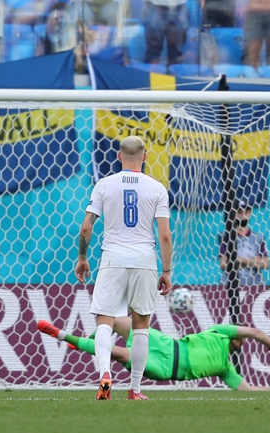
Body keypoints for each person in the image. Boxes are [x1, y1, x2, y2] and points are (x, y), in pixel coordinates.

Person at [76, 135, 173, 400]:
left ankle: (105, 374)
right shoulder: (157, 188)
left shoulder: (104, 185)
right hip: (144, 259)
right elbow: (164, 235)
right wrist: (166, 271)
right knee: (141, 324)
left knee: (104, 320)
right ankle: (135, 389)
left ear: (119, 157)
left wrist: (83, 257)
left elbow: (87, 226)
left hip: (112, 258)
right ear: (145, 157)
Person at [37, 317, 270, 391]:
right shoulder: (220, 331)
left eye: (242, 341)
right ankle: (84, 341)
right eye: (241, 338)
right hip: (166, 343)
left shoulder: (226, 369)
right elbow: (253, 331)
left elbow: (247, 391)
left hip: (165, 368)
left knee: (119, 354)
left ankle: (62, 336)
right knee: (116, 321)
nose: (242, 339)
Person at [218, 200, 269, 287]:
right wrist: (254, 261)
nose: (243, 215)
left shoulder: (259, 237)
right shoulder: (226, 237)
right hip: (230, 285)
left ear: (250, 213)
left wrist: (241, 260)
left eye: (246, 212)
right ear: (234, 214)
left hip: (255, 286)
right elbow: (223, 263)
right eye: (239, 212)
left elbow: (265, 263)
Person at [143, 0, 189, 65]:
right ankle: (151, 71)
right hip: (155, 3)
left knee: (176, 50)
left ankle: (173, 69)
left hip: (179, 4)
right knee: (153, 51)